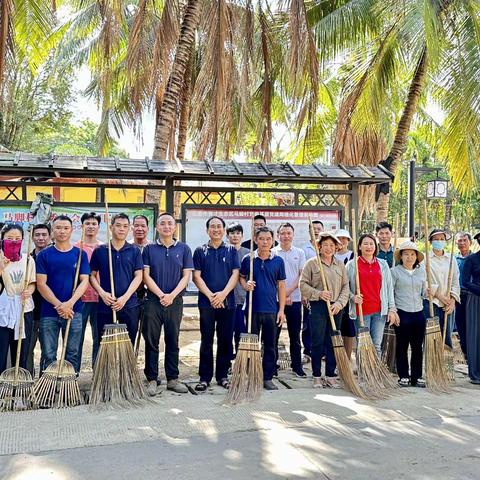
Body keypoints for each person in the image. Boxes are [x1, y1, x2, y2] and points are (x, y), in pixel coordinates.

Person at [142, 213, 193, 395]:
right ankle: (151, 379)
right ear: (157, 227)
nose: (166, 226)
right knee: (151, 341)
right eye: (162, 223)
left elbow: (186, 276)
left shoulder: (184, 249)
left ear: (174, 227)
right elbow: (146, 276)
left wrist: (171, 295)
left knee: (173, 340)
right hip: (153, 302)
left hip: (175, 301)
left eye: (169, 223)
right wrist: (162, 294)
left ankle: (172, 378)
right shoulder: (148, 249)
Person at [36, 215, 90, 374]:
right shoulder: (44, 255)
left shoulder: (80, 254)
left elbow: (84, 281)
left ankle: (69, 387)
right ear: (53, 230)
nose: (62, 231)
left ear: (72, 230)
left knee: (72, 352)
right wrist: (60, 305)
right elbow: (41, 283)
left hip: (74, 310)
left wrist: (69, 303)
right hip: (49, 311)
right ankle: (49, 388)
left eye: (66, 228)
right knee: (48, 353)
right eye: (58, 228)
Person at [193, 216, 240, 391]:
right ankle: (204, 377)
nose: (216, 229)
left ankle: (222, 376)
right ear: (207, 230)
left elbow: (235, 274)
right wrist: (211, 296)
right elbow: (196, 276)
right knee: (206, 339)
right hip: (206, 303)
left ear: (223, 230)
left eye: (219, 226)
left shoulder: (231, 250)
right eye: (212, 227)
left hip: (227, 303)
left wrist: (223, 295)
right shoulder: (199, 250)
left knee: (225, 339)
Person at [299, 232, 349, 388]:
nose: (328, 248)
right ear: (319, 247)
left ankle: (330, 374)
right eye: (325, 245)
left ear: (336, 248)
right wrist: (319, 294)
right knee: (317, 341)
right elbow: (303, 285)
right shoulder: (312, 263)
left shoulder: (340, 264)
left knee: (333, 341)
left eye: (332, 245)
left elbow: (346, 287)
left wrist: (340, 304)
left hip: (336, 308)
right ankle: (316, 375)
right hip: (318, 305)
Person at [240, 226, 286, 390]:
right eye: (261, 239)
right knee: (252, 343)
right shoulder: (249, 259)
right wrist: (246, 285)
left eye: (268, 239)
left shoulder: (278, 260)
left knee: (270, 344)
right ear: (255, 240)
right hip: (252, 308)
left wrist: (281, 310)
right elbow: (241, 278)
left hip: (271, 309)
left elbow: (281, 286)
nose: (265, 242)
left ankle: (267, 377)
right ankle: (252, 374)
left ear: (273, 241)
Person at [90, 213, 143, 348]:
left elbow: (139, 276)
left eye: (125, 226)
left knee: (128, 343)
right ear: (111, 227)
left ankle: (125, 369)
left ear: (128, 229)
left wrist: (125, 298)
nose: (121, 229)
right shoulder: (100, 250)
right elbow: (92, 275)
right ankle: (107, 369)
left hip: (129, 304)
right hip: (106, 303)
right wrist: (102, 293)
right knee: (104, 344)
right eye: (118, 225)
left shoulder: (134, 251)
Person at [346, 233, 398, 357]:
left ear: (375, 246)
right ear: (359, 247)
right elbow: (344, 288)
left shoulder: (382, 264)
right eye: (365, 244)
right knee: (363, 345)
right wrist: (353, 297)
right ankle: (363, 375)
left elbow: (389, 288)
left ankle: (376, 375)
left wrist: (392, 309)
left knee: (376, 345)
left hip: (379, 311)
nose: (368, 246)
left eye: (371, 244)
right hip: (361, 311)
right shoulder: (352, 265)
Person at [0, 223, 36, 374]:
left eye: (17, 238)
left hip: (23, 309)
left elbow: (33, 282)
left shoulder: (28, 260)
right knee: (1, 352)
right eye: (9, 238)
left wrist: (29, 291)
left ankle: (18, 389)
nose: (14, 241)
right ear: (2, 239)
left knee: (21, 351)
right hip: (3, 311)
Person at [391, 241, 427, 387]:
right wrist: (392, 310)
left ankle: (417, 376)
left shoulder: (421, 272)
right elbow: (390, 293)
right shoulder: (395, 272)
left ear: (416, 257)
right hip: (402, 312)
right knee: (402, 345)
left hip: (418, 312)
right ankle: (403, 375)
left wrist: (427, 292)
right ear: (401, 256)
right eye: (406, 254)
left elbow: (422, 292)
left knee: (418, 346)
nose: (409, 257)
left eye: (412, 254)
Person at [273, 222, 306, 376]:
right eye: (283, 233)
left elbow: (302, 276)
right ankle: (271, 366)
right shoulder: (272, 252)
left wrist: (287, 293)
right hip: (274, 300)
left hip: (295, 298)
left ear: (293, 235)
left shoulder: (299, 253)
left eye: (288, 233)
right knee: (273, 334)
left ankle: (297, 366)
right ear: (278, 235)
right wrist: (281, 296)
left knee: (295, 334)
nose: (285, 236)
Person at [423, 229, 459, 349]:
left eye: (442, 239)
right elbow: (424, 282)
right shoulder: (425, 259)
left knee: (446, 336)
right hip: (431, 302)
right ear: (431, 242)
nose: (439, 242)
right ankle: (431, 365)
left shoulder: (451, 259)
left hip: (448, 304)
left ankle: (446, 365)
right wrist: (439, 295)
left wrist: (452, 300)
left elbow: (455, 280)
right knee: (431, 338)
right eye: (436, 239)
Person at [75, 212, 102, 370]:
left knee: (99, 338)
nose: (91, 226)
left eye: (94, 224)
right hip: (80, 300)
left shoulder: (104, 248)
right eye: (87, 223)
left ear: (98, 227)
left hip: (100, 299)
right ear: (82, 226)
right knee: (76, 339)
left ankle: (97, 372)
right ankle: (74, 375)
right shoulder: (75, 248)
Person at [26, 223, 51, 376]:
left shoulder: (54, 258)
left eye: (44, 235)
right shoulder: (27, 260)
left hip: (49, 312)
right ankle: (27, 378)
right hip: (30, 312)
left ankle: (44, 380)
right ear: (32, 237)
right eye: (37, 235)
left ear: (50, 236)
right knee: (27, 348)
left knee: (48, 349)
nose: (41, 238)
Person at [301, 220, 323, 364]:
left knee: (324, 324)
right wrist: (304, 294)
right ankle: (307, 351)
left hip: (325, 293)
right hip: (310, 292)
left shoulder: (327, 247)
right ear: (309, 231)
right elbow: (302, 275)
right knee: (308, 324)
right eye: (313, 229)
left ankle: (323, 352)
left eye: (318, 229)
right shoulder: (304, 250)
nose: (316, 231)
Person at [226, 222, 249, 357]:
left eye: (237, 233)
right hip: (228, 299)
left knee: (241, 331)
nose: (235, 236)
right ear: (227, 236)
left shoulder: (248, 254)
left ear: (242, 235)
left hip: (243, 299)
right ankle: (228, 360)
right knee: (227, 331)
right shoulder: (225, 251)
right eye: (232, 233)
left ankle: (241, 359)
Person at [461, 232, 480, 384]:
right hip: (475, 299)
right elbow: (465, 281)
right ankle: (475, 373)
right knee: (474, 335)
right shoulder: (471, 259)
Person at [334, 228, 355, 359]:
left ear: (348, 241)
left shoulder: (354, 256)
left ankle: (347, 358)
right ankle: (335, 358)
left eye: (344, 239)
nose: (341, 241)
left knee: (349, 328)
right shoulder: (331, 255)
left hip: (349, 296)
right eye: (339, 238)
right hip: (333, 296)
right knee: (336, 328)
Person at [455, 232, 472, 358]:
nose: (462, 243)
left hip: (472, 296)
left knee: (472, 324)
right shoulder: (454, 259)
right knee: (460, 325)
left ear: (470, 242)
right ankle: (465, 352)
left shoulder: (475, 258)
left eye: (464, 240)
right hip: (458, 296)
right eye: (459, 240)